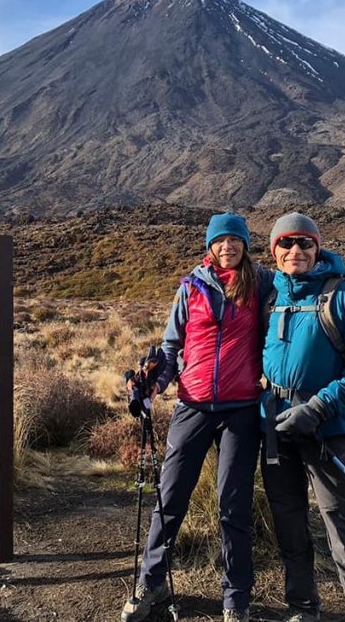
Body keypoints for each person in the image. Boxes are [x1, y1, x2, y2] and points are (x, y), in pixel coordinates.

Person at [122, 212, 273, 622]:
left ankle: (235, 600)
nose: (229, 247)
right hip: (192, 405)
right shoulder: (190, 287)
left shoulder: (262, 284)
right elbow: (171, 350)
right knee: (169, 499)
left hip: (240, 410)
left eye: (235, 240)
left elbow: (305, 278)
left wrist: (344, 276)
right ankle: (150, 582)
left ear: (245, 245)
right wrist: (155, 383)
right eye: (221, 240)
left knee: (234, 506)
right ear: (210, 246)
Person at [260, 212, 345, 622]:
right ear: (273, 250)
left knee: (343, 527)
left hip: (326, 429)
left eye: (304, 243)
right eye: (286, 243)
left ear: (318, 248)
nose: (295, 251)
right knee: (290, 522)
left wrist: (316, 409)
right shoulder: (269, 296)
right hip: (276, 429)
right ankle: (302, 607)